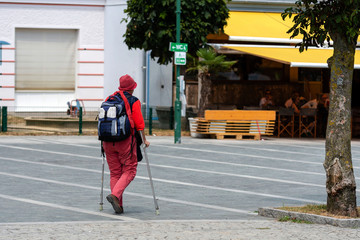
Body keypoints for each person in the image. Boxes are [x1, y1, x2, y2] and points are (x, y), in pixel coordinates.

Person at [103, 74, 150, 214]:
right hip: (124, 141)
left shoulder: (109, 99)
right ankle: (115, 195)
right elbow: (139, 123)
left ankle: (119, 204)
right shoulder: (133, 101)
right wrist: (145, 140)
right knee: (130, 170)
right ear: (132, 88)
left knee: (115, 172)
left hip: (107, 141)